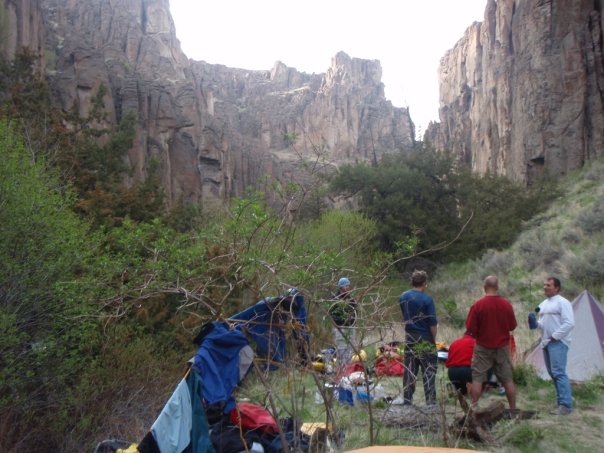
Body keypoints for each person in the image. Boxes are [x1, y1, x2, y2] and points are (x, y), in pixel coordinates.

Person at [465, 275, 517, 411]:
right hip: (502, 347)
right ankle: (513, 410)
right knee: (507, 379)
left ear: (484, 287)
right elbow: (512, 326)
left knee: (477, 378)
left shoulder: (478, 305)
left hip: (483, 346)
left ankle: (474, 407)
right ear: (497, 287)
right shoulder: (506, 304)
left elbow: (470, 328)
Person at [529, 277, 575, 415]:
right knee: (552, 373)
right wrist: (535, 324)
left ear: (557, 288)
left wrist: (554, 336)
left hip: (558, 342)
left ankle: (566, 405)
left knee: (559, 372)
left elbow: (569, 323)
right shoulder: (543, 304)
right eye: (544, 284)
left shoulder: (563, 302)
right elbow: (543, 323)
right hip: (546, 343)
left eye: (548, 285)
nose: (545, 287)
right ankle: (560, 402)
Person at [399, 270, 438, 406]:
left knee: (409, 369)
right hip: (425, 337)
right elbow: (432, 324)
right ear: (424, 283)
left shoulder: (403, 297)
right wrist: (433, 340)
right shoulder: (427, 300)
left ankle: (407, 400)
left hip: (410, 337)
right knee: (429, 370)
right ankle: (431, 401)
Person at [328, 277, 358, 366]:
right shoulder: (334, 299)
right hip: (340, 328)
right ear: (341, 287)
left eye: (348, 285)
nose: (348, 287)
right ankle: (341, 369)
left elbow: (355, 312)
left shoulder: (351, 299)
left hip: (350, 327)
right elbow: (332, 315)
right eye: (346, 286)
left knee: (350, 349)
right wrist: (343, 320)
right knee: (341, 349)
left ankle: (349, 368)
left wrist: (351, 320)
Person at [445, 331, 475, 396]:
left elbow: (447, 363)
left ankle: (455, 388)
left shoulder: (454, 343)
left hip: (451, 372)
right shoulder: (475, 343)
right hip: (466, 371)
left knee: (461, 391)